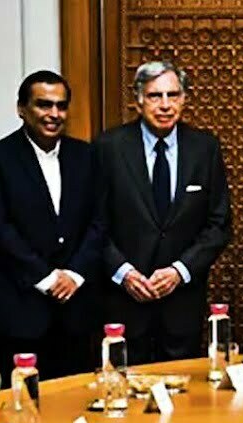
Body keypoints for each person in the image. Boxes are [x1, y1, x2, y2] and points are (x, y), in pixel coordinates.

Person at [95, 61, 231, 365]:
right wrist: (124, 273)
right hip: (124, 300)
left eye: (173, 95)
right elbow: (95, 223)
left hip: (182, 301)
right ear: (138, 100)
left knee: (183, 386)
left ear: (184, 99)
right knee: (124, 383)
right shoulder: (108, 147)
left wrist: (179, 271)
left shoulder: (205, 148)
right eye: (155, 96)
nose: (166, 105)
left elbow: (219, 224)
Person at [0, 71, 103, 384]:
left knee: (74, 399)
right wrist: (46, 278)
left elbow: (100, 221)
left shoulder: (87, 156)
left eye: (61, 106)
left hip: (75, 310)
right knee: (23, 402)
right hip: (18, 310)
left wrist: (74, 275)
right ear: (21, 109)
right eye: (44, 105)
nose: (54, 114)